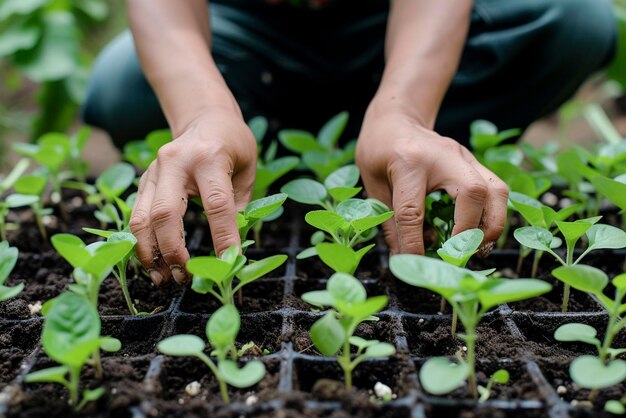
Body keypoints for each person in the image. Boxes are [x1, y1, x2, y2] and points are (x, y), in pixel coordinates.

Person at [83, 0, 616, 287]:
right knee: (123, 85)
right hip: (248, 28)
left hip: (388, 23)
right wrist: (202, 113)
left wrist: (405, 109)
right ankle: (243, 136)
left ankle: (399, 137)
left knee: (575, 19)